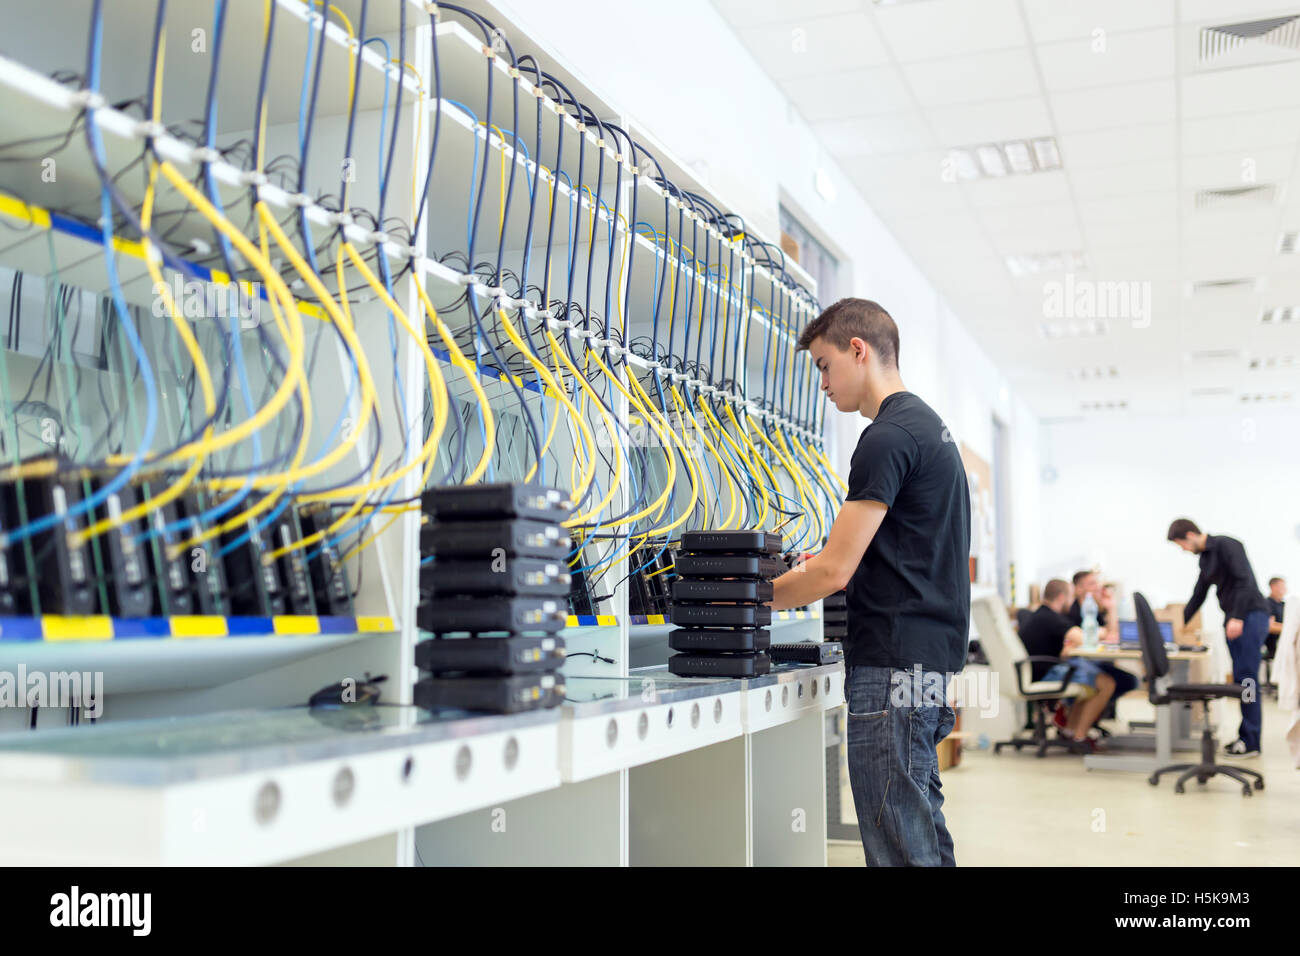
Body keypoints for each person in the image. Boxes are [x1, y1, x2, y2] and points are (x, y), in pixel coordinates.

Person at [770, 298, 970, 867]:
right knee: (919, 829)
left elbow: (835, 570)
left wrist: (748, 600)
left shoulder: (885, 437)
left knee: (898, 843)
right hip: (927, 660)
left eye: (825, 365)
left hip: (891, 665)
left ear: (858, 350)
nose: (825, 384)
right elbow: (907, 546)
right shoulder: (932, 428)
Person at [1167, 519, 1271, 758]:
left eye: (1181, 544)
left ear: (1190, 535)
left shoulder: (1227, 545)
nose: (1183, 550)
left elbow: (1245, 581)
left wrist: (1237, 617)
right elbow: (1199, 593)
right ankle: (1246, 736)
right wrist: (1177, 622)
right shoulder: (1205, 559)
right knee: (1241, 678)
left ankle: (1252, 741)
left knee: (1247, 680)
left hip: (1250, 616)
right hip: (1236, 619)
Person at [1019, 579, 1128, 751]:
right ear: (1062, 597)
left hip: (1039, 670)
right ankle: (1080, 737)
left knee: (1091, 685)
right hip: (1046, 673)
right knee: (1107, 683)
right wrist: (1105, 627)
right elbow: (1085, 638)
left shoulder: (1041, 614)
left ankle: (1070, 732)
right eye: (1071, 597)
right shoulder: (1050, 617)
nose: (1072, 601)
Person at [1066, 569, 1119, 642]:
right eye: (1092, 584)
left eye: (1097, 583)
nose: (1097, 587)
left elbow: (1112, 635)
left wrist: (1111, 608)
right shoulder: (1072, 612)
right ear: (1078, 588)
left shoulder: (1096, 608)